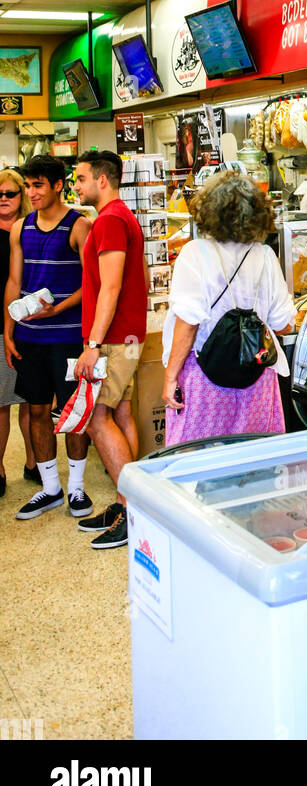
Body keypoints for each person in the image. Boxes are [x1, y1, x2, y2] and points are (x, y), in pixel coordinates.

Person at [162, 171, 294, 446]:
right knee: (252, 462)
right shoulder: (265, 256)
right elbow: (284, 325)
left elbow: (187, 324)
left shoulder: (195, 253)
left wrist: (170, 377)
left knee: (197, 462)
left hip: (203, 377)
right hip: (256, 379)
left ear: (208, 210)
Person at [5, 155, 92, 522]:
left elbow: (94, 283)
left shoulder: (79, 225)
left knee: (73, 415)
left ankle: (76, 488)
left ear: (58, 185)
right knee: (37, 411)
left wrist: (60, 309)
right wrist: (9, 332)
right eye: (28, 185)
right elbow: (13, 282)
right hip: (30, 337)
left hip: (68, 337)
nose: (31, 192)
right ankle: (50, 488)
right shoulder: (20, 228)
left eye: (38, 185)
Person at [73, 151, 148, 552]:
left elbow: (111, 287)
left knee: (96, 418)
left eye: (82, 178)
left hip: (115, 338)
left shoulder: (110, 220)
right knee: (120, 413)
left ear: (103, 180)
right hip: (126, 336)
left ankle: (135, 509)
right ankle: (124, 505)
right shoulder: (120, 217)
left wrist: (93, 344)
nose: (77, 186)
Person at [0, 169, 37, 496]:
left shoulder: (30, 229)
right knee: (0, 403)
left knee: (31, 400)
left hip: (30, 323)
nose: (3, 199)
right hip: (0, 328)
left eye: (10, 193)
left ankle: (33, 462)